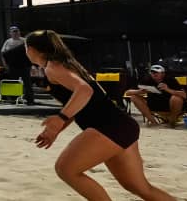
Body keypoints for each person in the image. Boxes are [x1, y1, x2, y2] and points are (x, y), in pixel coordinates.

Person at [26, 30, 174, 201]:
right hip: (121, 125)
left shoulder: (53, 68)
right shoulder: (66, 64)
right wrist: (57, 129)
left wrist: (60, 119)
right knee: (140, 188)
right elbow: (78, 103)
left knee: (66, 169)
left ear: (31, 49)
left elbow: (84, 90)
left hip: (108, 127)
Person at [2, 26, 36, 104]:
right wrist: (5, 65)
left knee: (27, 83)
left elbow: (30, 53)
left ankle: (30, 100)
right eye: (13, 31)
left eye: (17, 31)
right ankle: (14, 99)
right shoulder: (7, 42)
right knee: (13, 82)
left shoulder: (24, 41)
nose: (15, 33)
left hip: (24, 65)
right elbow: (3, 54)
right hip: (13, 66)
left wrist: (32, 65)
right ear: (10, 33)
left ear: (19, 32)